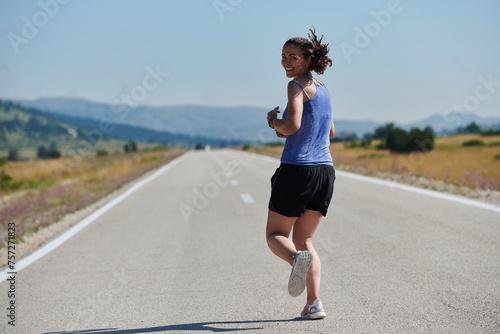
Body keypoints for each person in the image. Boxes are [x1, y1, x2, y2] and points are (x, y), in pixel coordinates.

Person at [266, 27, 335, 320]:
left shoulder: (296, 86)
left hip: (298, 170)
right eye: (283, 57)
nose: (286, 62)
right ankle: (313, 303)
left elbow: (292, 125)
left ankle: (296, 262)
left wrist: (273, 122)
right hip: (325, 172)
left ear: (307, 59)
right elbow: (330, 131)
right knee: (305, 240)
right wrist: (289, 131)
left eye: (293, 57)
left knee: (275, 235)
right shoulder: (324, 89)